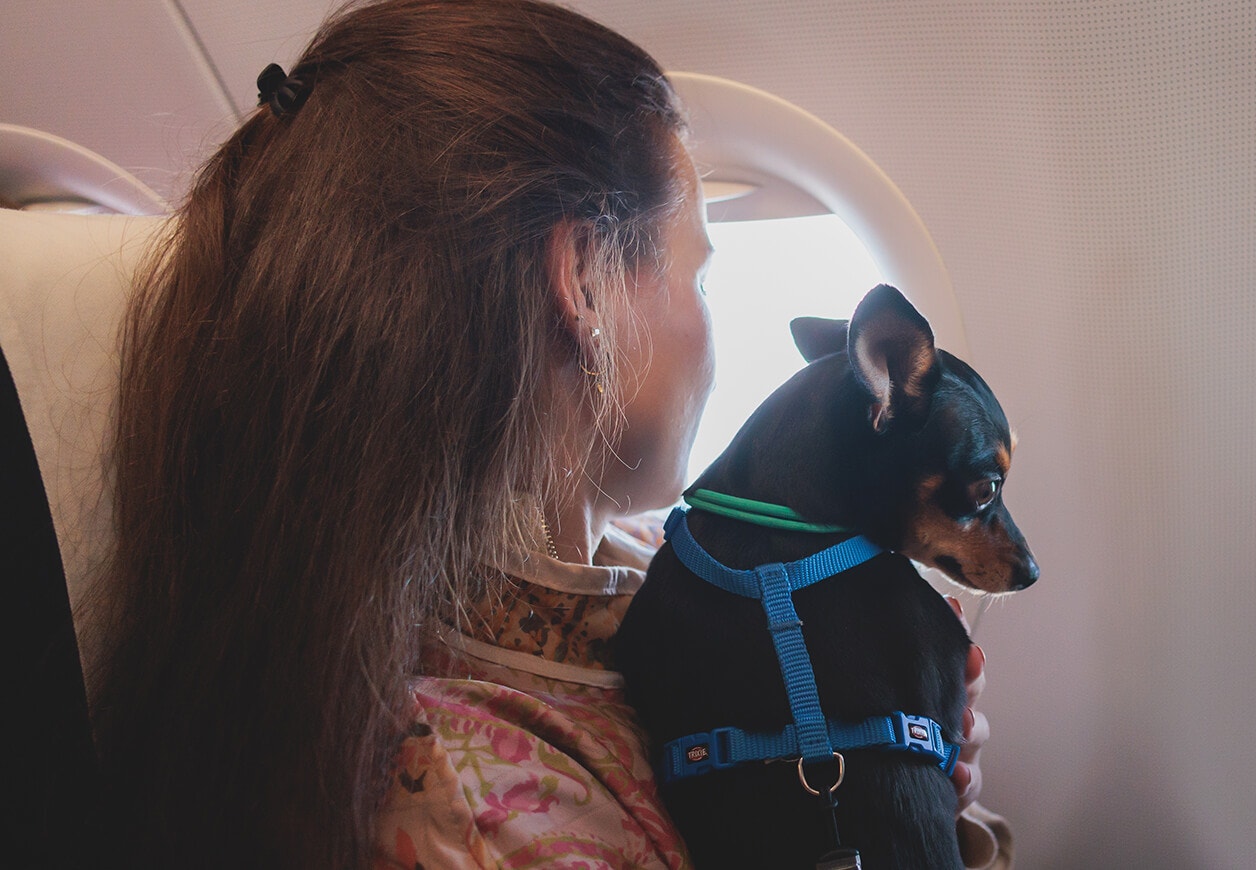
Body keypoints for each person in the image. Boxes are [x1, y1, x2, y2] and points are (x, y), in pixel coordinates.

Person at [85, 0, 1009, 867]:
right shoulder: (475, 814)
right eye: (697, 276)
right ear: (586, 284)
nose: (709, 326)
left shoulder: (659, 555)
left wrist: (903, 754)